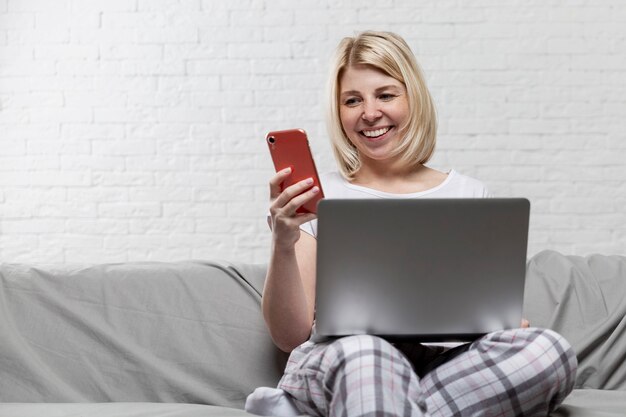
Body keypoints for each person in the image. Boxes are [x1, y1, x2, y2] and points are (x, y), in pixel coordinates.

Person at [249, 31, 577, 417]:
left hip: (443, 367)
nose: (369, 112)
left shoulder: (469, 193)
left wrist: (500, 325)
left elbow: (484, 314)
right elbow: (289, 336)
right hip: (342, 358)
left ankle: (355, 408)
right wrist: (283, 243)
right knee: (370, 354)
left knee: (548, 351)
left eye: (385, 95)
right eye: (353, 100)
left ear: (413, 99)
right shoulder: (318, 198)